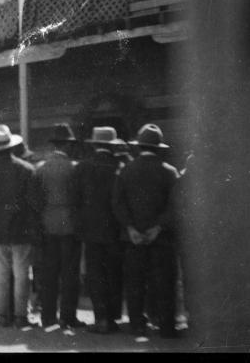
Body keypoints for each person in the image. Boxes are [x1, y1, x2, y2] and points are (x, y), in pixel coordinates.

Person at [112, 124, 181, 339]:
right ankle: (167, 327)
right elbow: (175, 205)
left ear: (139, 147)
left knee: (135, 282)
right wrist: (159, 226)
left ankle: (137, 325)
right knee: (165, 282)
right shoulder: (169, 172)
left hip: (133, 238)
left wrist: (130, 228)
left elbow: (117, 203)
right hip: (161, 238)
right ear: (158, 147)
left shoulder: (125, 171)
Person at [0, 125, 39, 328]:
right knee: (22, 274)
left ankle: (3, 315)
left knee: (1, 275)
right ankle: (21, 315)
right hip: (21, 228)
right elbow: (33, 202)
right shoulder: (26, 169)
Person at [33, 123, 86, 329]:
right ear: (67, 145)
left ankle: (48, 317)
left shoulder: (41, 168)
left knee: (49, 273)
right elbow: (80, 198)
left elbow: (35, 200)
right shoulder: (75, 168)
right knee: (70, 274)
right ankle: (68, 317)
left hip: (47, 224)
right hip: (70, 224)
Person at [74, 126, 127, 334]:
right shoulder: (120, 166)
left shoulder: (82, 167)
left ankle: (101, 318)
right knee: (114, 273)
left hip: (91, 230)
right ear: (112, 145)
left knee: (95, 274)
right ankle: (113, 318)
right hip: (115, 229)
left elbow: (75, 200)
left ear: (95, 144)